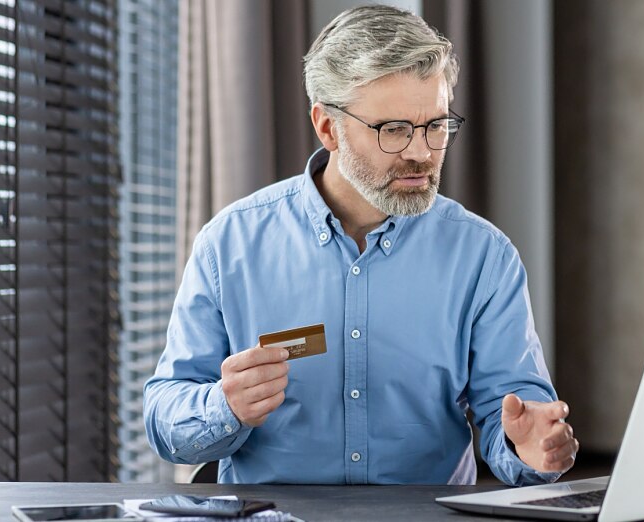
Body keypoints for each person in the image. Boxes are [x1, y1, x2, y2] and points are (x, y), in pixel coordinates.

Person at [144, 4, 578, 486]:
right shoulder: (228, 245)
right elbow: (165, 417)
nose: (421, 153)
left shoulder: (484, 257)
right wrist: (224, 407)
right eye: (393, 130)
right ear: (327, 127)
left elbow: (513, 417)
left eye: (436, 126)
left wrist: (531, 446)